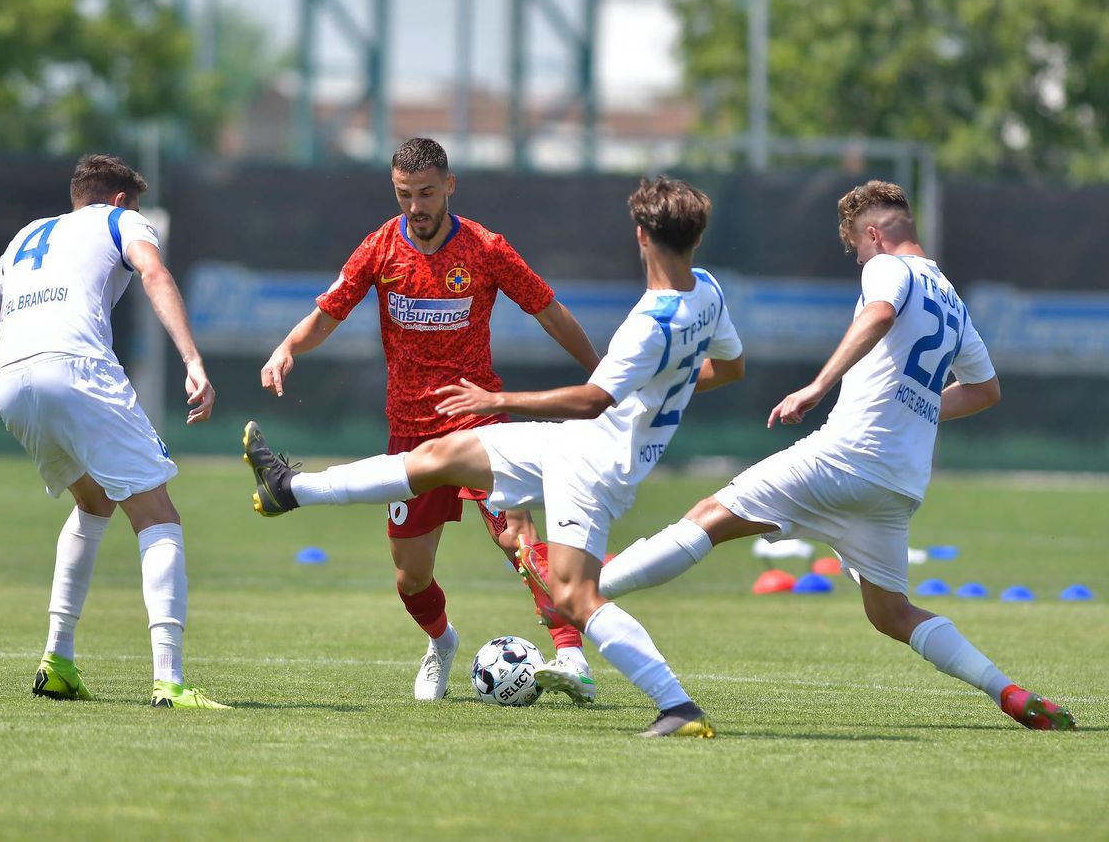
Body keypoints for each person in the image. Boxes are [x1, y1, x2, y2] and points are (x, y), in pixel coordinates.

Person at [244, 175, 746, 737]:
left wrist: (498, 398)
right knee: (440, 458)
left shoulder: (647, 323)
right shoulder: (708, 291)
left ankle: (670, 702)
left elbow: (591, 401)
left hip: (591, 463)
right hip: (571, 444)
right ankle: (290, 487)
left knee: (574, 594)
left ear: (641, 237)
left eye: (426, 192)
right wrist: (662, 389)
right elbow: (730, 369)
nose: (415, 205)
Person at [598, 179, 1075, 732]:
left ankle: (576, 594)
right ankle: (1008, 692)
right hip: (897, 485)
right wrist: (914, 411)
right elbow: (985, 390)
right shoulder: (953, 300)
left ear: (873, 233)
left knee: (707, 518)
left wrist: (817, 386)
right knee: (891, 613)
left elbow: (876, 316)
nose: (858, 258)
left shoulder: (888, 268)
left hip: (845, 458)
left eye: (856, 247)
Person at [253, 137, 601, 702]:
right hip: (410, 433)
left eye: (427, 193)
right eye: (405, 194)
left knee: (517, 536)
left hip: (480, 422)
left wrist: (599, 375)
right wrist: (287, 347)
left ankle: (570, 656)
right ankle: (441, 643)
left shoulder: (486, 248)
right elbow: (328, 312)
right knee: (410, 575)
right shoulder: (379, 249)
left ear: (450, 187)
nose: (416, 206)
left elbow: (548, 311)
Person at [0, 154, 229, 710]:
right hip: (76, 370)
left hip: (10, 385)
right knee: (158, 514)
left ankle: (57, 661)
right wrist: (193, 360)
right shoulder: (122, 220)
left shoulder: (26, 237)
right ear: (117, 200)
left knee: (93, 502)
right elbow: (154, 272)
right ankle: (171, 681)